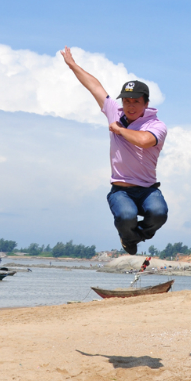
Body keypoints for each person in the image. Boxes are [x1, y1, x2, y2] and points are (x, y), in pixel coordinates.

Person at [61, 47, 169, 255]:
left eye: (136, 101)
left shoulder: (156, 125)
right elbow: (95, 87)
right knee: (126, 217)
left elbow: (145, 141)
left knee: (159, 214)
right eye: (126, 101)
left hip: (148, 189)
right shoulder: (114, 112)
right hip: (121, 190)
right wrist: (73, 65)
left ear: (146, 103)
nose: (130, 106)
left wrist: (119, 129)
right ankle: (128, 239)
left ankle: (136, 237)